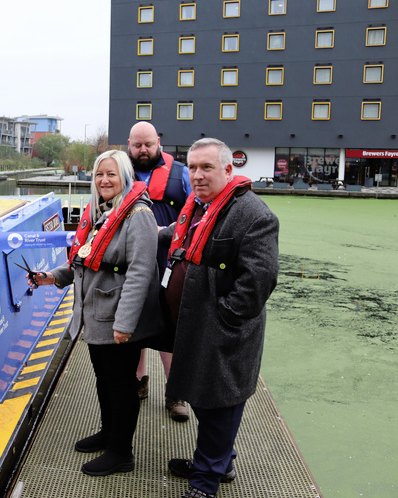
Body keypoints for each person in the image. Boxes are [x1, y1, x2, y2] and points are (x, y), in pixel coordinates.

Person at [30, 149, 165, 476]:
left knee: (121, 384)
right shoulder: (99, 213)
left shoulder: (138, 215)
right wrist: (53, 277)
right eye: (99, 175)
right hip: (95, 315)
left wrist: (125, 323)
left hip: (118, 318)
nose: (104, 180)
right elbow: (84, 258)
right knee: (104, 380)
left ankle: (121, 452)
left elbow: (141, 272)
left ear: (125, 178)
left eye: (111, 174)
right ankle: (109, 433)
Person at [159, 138, 279, 498]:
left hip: (221, 333)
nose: (197, 175)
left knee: (220, 405)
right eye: (192, 168)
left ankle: (204, 484)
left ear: (229, 170)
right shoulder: (196, 207)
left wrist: (223, 318)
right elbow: (172, 237)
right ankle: (218, 462)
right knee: (203, 400)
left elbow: (259, 280)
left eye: (206, 167)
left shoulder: (254, 215)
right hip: (191, 327)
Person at [127, 121, 193, 422]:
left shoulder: (181, 174)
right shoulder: (117, 172)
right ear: (129, 144)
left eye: (148, 144)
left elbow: (196, 214)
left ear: (159, 143)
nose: (143, 150)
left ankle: (175, 391)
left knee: (172, 327)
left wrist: (165, 232)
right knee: (133, 320)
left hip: (170, 261)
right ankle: (138, 382)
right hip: (130, 261)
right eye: (137, 145)